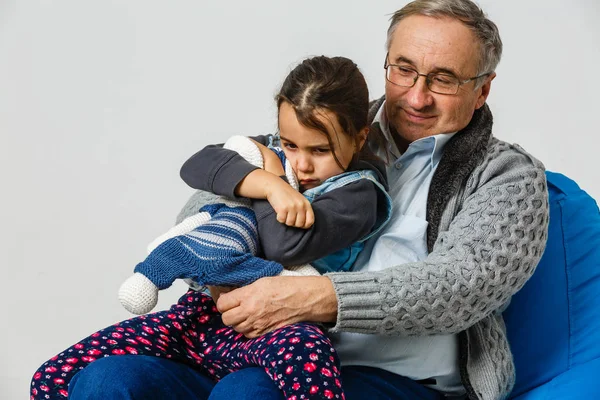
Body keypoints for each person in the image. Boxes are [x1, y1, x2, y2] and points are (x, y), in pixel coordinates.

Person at [37, 0, 550, 399]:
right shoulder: (328, 128)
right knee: (108, 383)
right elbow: (199, 207)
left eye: (443, 79)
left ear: (482, 90)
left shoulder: (507, 176)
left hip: (392, 383)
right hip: (247, 346)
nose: (416, 96)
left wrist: (315, 298)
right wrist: (246, 224)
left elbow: (463, 284)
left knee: (251, 394)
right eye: (404, 70)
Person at [30, 55, 392, 400]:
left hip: (276, 327)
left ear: (360, 138)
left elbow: (286, 245)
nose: (302, 164)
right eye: (290, 144)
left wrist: (270, 178)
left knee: (310, 361)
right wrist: (270, 184)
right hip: (204, 316)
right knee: (57, 374)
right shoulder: (276, 161)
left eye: (320, 150)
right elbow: (199, 163)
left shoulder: (358, 192)